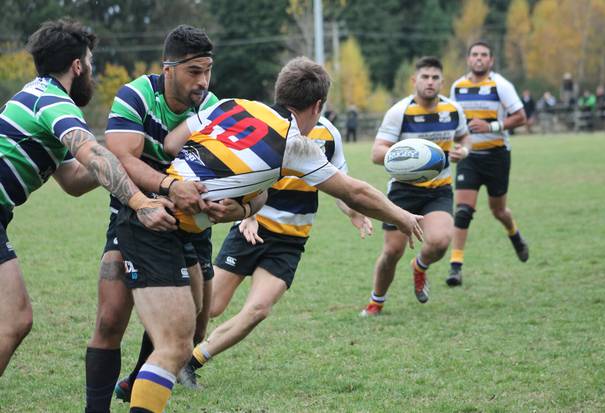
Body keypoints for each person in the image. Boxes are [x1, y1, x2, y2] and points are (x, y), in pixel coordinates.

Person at [119, 56, 424, 413]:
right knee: (175, 345)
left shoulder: (232, 105)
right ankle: (133, 381)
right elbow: (354, 192)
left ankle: (135, 382)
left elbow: (172, 144)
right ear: (317, 106)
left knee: (184, 338)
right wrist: (401, 216)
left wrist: (240, 201)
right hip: (158, 224)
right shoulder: (295, 145)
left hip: (168, 223)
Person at [84, 25, 257, 413]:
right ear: (168, 68)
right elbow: (122, 159)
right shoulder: (136, 95)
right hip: (135, 213)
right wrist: (165, 187)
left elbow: (235, 169)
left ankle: (138, 379)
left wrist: (238, 207)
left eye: (208, 70)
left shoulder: (210, 106)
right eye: (194, 71)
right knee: (112, 318)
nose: (203, 81)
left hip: (192, 222)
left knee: (194, 325)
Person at [0, 20, 174, 377]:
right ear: (77, 65)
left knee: (14, 319)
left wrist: (124, 151)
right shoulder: (53, 101)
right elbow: (90, 154)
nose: (91, 73)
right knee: (14, 319)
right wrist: (141, 202)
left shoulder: (37, 96)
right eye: (90, 64)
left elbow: (75, 180)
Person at [175, 116, 372, 387]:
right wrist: (247, 215)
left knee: (258, 309)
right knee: (211, 306)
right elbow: (239, 173)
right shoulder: (268, 126)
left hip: (291, 240)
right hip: (252, 229)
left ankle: (191, 362)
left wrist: (354, 212)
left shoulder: (329, 134)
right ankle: (162, 355)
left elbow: (340, 183)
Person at [360, 57, 470, 316]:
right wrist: (407, 157)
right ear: (414, 80)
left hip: (439, 189)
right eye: (425, 77)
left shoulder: (453, 110)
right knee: (392, 251)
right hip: (403, 191)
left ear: (442, 82)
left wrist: (463, 150)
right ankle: (377, 301)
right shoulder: (400, 112)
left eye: (435, 78)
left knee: (441, 241)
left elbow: (465, 138)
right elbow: (377, 153)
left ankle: (420, 266)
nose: (430, 82)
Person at [446, 41, 528, 287]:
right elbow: (452, 120)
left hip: (497, 156)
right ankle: (455, 267)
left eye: (484, 55)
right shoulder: (457, 87)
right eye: (474, 54)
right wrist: (451, 145)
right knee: (462, 212)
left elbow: (521, 117)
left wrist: (492, 126)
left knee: (498, 210)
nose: (479, 58)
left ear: (491, 60)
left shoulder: (500, 85)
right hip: (469, 157)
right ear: (468, 59)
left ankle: (514, 233)